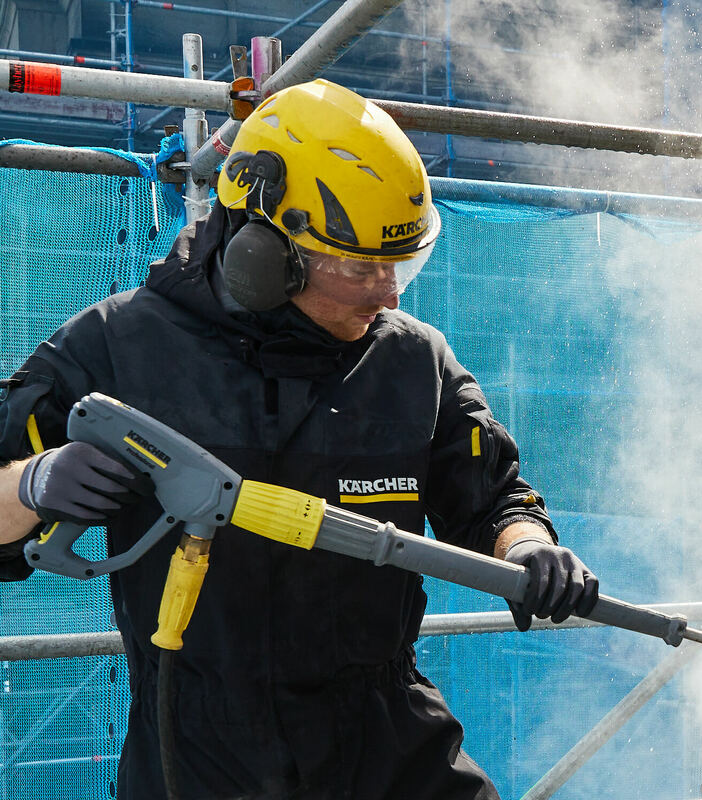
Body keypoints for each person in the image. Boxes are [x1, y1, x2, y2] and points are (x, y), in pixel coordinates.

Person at [0, 78, 598, 800]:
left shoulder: (414, 361)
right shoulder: (114, 350)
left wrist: (527, 545)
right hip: (200, 758)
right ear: (262, 250)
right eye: (361, 267)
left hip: (386, 742)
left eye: (401, 263)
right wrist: (31, 482)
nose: (390, 294)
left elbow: (493, 498)